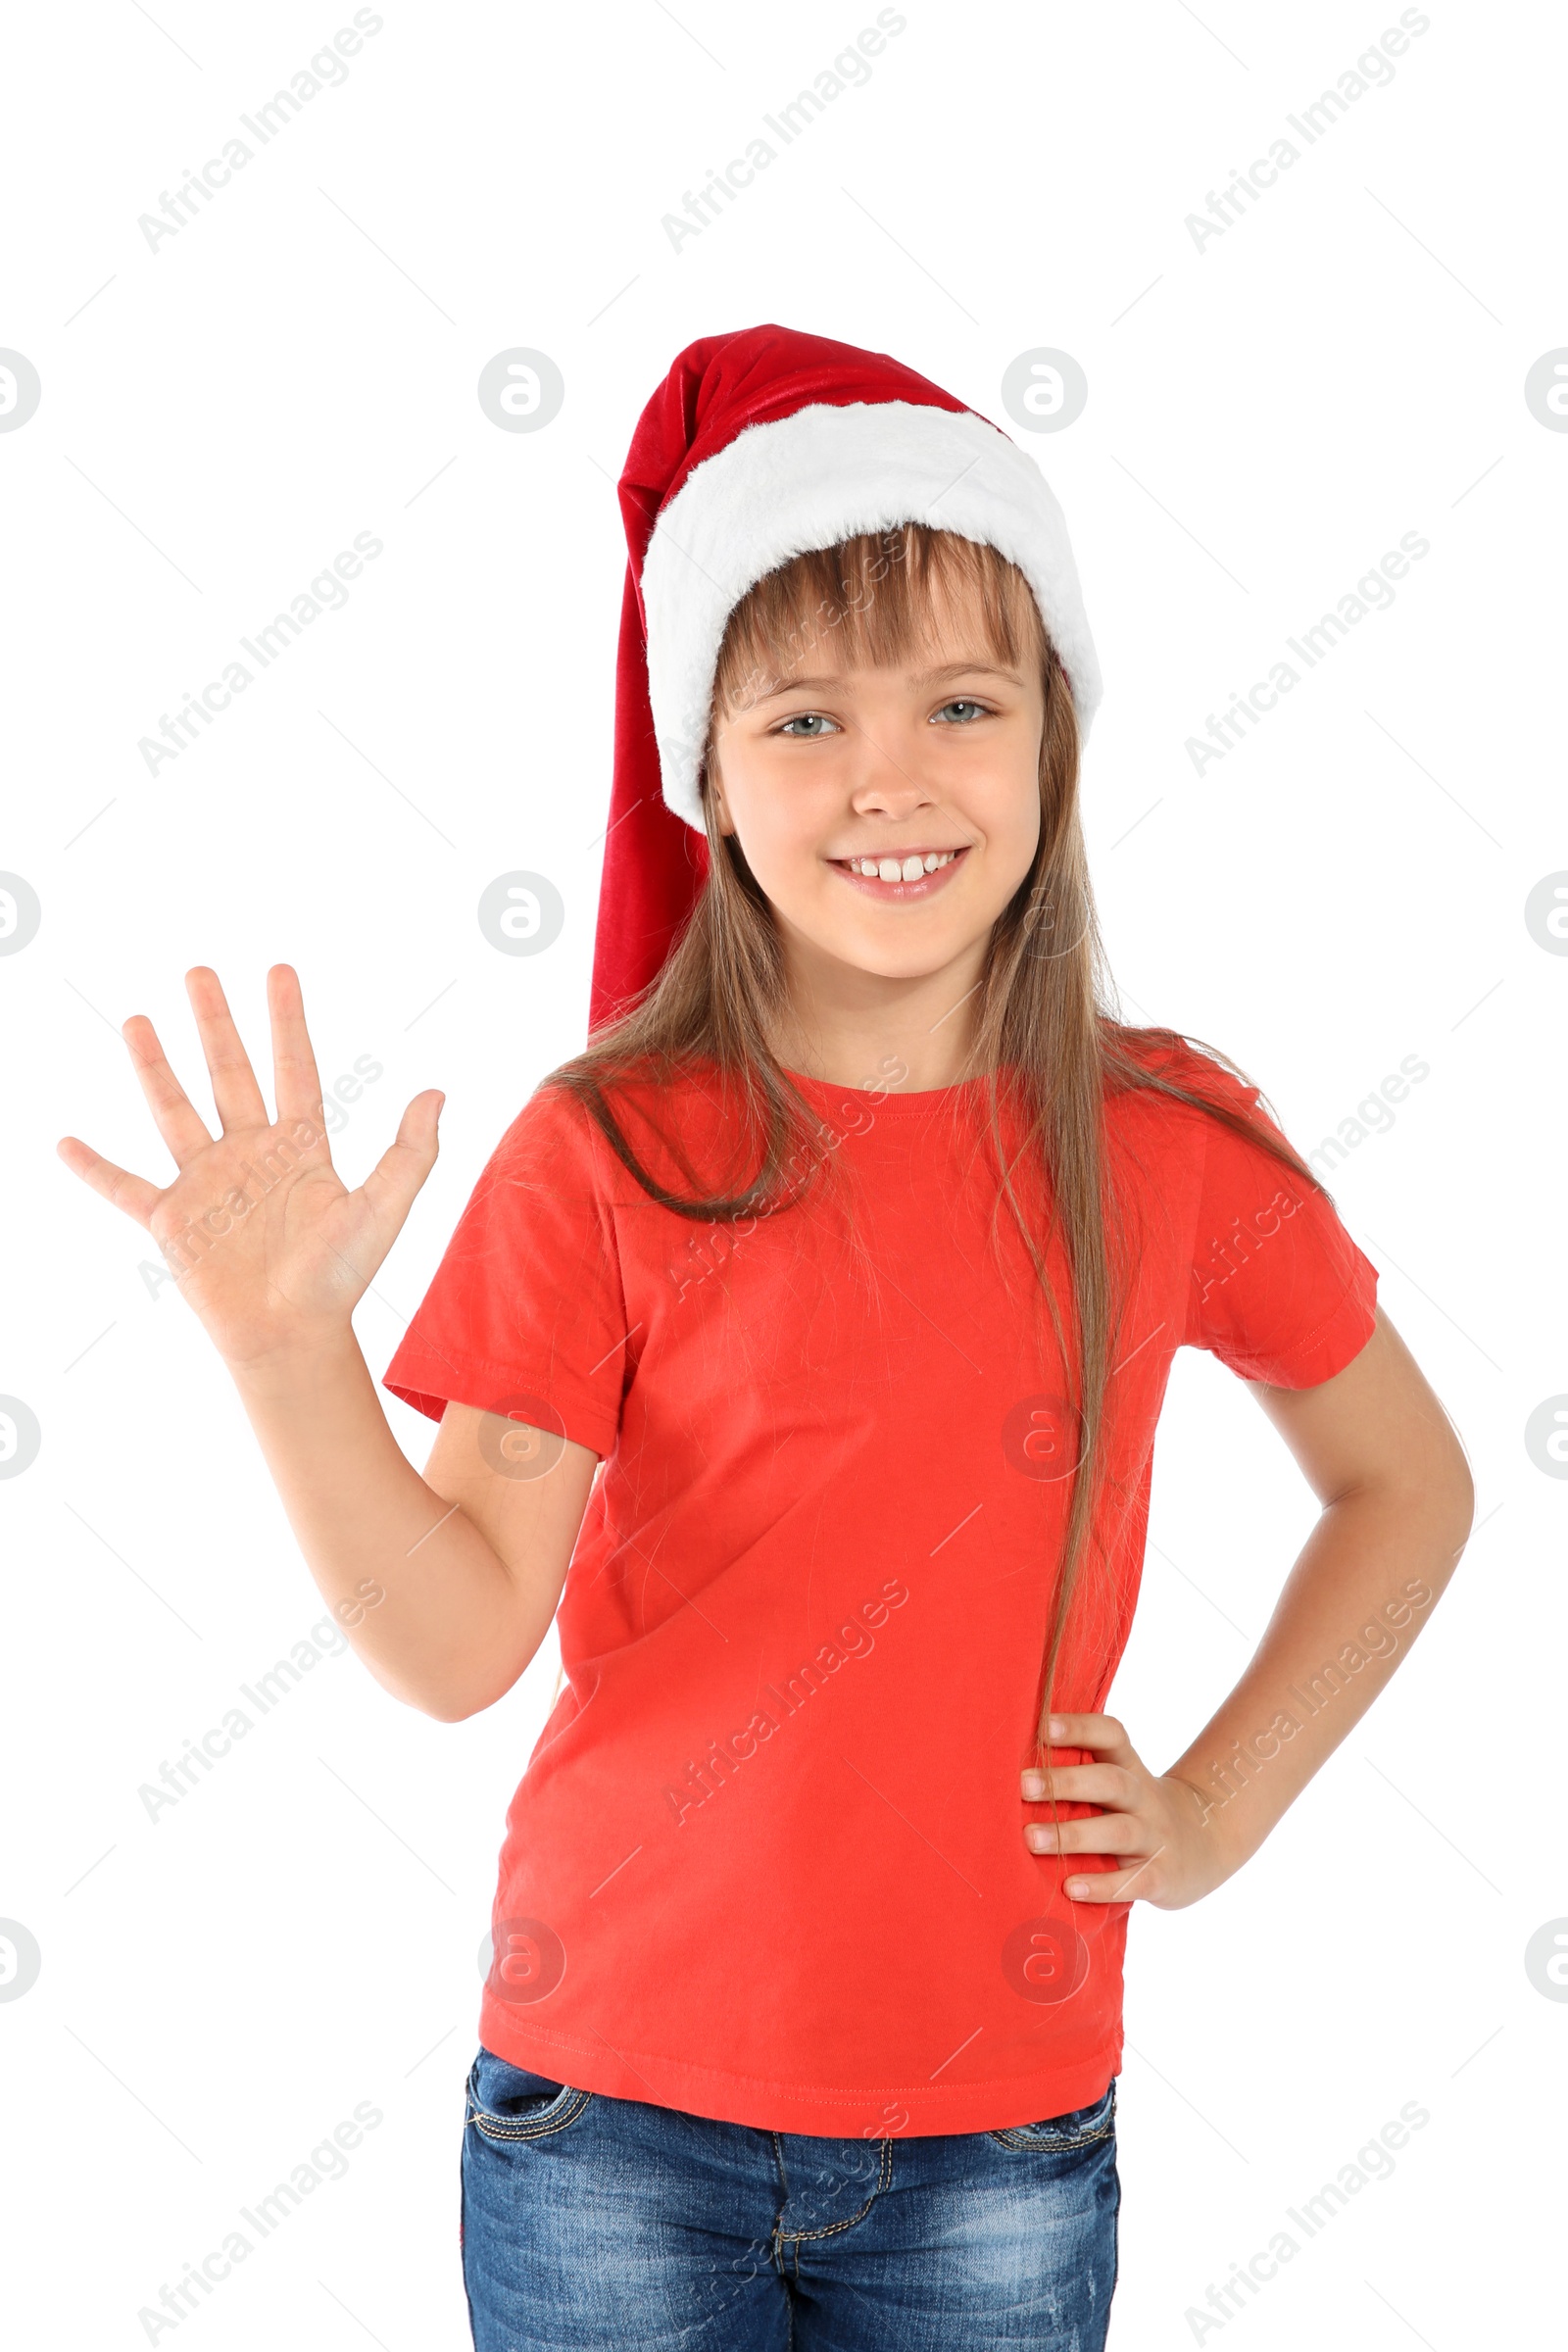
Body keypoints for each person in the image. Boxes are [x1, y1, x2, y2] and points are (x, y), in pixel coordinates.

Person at [59, 324, 1474, 2350]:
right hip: (609, 2124)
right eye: (802, 717)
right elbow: (461, 1641)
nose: (887, 776)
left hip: (998, 2137)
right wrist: (288, 1354)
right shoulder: (609, 1150)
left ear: (1053, 738)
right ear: (700, 772)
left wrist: (1211, 1813)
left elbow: (1402, 1486)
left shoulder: (1163, 1143)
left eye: (960, 702)